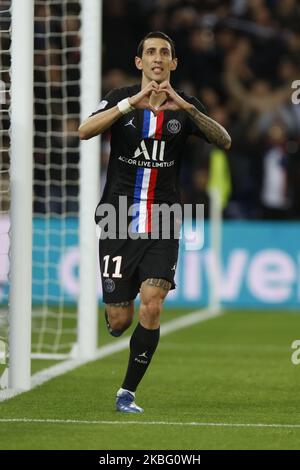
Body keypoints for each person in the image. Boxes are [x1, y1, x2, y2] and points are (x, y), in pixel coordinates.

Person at [78, 31, 231, 413]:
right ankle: (114, 309)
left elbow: (225, 140)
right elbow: (84, 131)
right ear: (139, 62)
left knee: (152, 304)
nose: (158, 58)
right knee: (120, 319)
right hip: (117, 219)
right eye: (150, 52)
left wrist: (190, 109)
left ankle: (126, 393)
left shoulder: (185, 107)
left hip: (163, 219)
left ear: (174, 63)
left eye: (165, 52)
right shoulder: (120, 98)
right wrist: (131, 104)